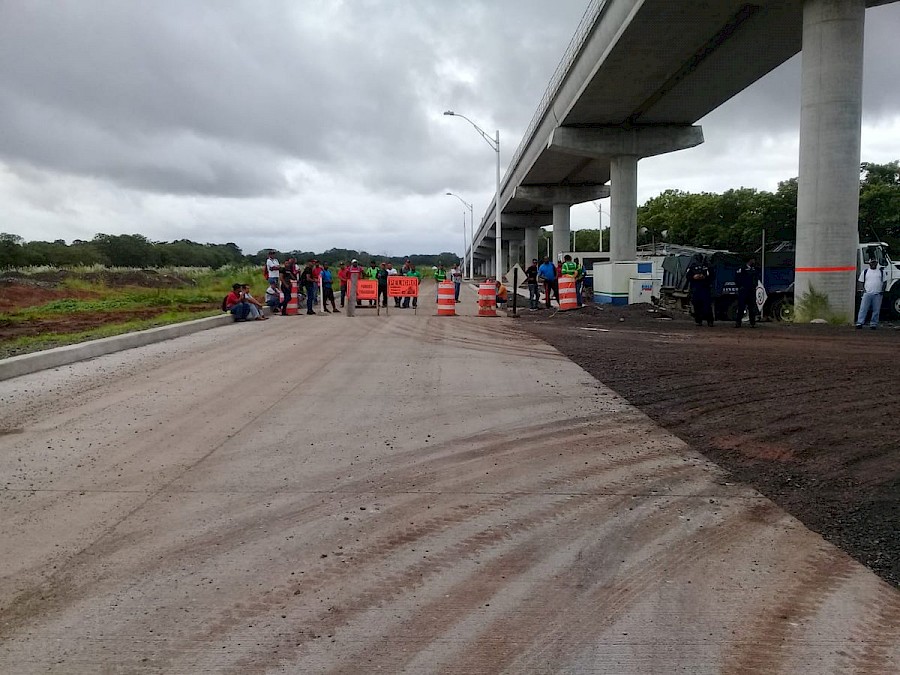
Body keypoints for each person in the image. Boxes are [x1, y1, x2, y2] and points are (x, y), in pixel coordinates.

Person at [685, 254, 714, 326]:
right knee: (697, 305)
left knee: (707, 306)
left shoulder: (707, 266)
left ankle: (710, 321)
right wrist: (694, 277)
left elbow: (712, 276)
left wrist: (704, 277)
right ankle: (698, 320)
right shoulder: (692, 266)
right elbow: (688, 276)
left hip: (705, 288)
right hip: (695, 288)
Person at [856, 258, 886, 329]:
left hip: (878, 294)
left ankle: (873, 324)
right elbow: (861, 281)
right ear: (869, 263)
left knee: (876, 310)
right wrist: (863, 290)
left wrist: (882, 291)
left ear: (877, 263)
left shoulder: (881, 272)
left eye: (875, 263)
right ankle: (860, 323)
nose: (873, 264)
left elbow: (884, 282)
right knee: (863, 308)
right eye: (872, 263)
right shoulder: (865, 272)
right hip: (867, 293)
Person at [734, 258, 760, 328]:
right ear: (750, 260)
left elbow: (756, 278)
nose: (754, 261)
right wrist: (740, 286)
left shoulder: (754, 269)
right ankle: (738, 322)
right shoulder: (742, 268)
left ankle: (752, 323)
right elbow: (737, 278)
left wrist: (755, 285)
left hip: (751, 291)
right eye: (753, 260)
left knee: (752, 307)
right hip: (743, 290)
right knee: (741, 307)